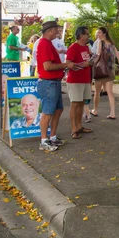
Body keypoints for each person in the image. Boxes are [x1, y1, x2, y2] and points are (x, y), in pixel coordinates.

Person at [36, 17, 74, 152]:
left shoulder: (48, 43)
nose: (57, 33)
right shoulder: (44, 44)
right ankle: (44, 140)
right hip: (48, 83)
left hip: (54, 82)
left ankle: (52, 137)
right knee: (47, 112)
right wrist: (65, 65)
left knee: (58, 110)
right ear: (50, 31)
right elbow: (47, 66)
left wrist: (64, 67)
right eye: (56, 31)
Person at [66, 26, 94, 139]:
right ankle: (74, 129)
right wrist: (83, 64)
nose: (88, 36)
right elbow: (68, 64)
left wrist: (91, 62)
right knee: (75, 104)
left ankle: (79, 126)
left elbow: (86, 61)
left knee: (82, 103)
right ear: (81, 35)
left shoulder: (86, 48)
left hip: (85, 79)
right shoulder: (73, 48)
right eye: (87, 34)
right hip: (75, 81)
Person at [90, 26, 119, 119]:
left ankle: (95, 110)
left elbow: (98, 54)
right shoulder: (112, 44)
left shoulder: (101, 42)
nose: (97, 34)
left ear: (104, 34)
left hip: (101, 70)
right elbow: (118, 56)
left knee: (97, 91)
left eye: (99, 33)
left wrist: (90, 62)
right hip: (110, 70)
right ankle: (113, 113)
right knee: (110, 92)